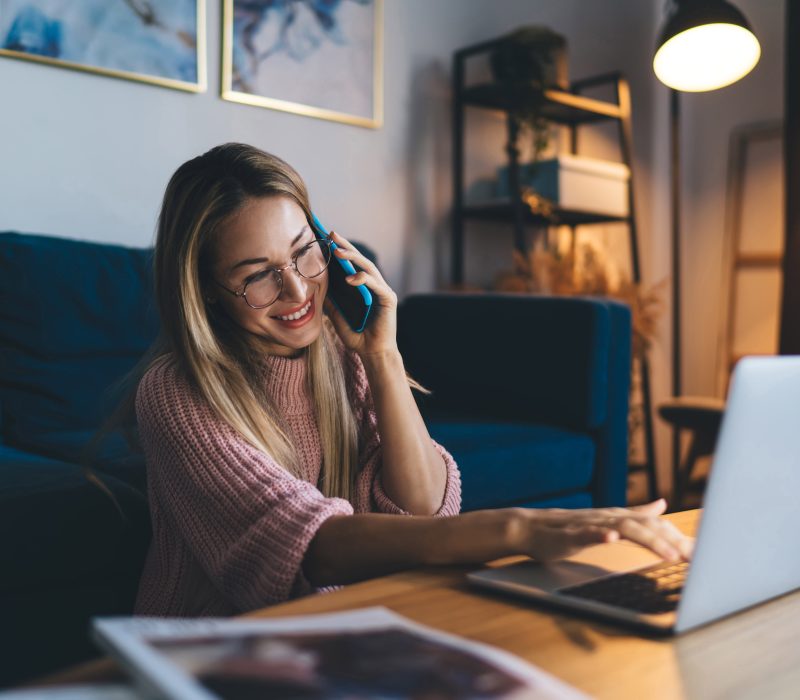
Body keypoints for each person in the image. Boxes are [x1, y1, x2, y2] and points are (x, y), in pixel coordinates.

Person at [133, 143, 693, 618]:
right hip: (215, 647)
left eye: (305, 254)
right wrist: (518, 529)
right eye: (258, 276)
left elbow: (425, 508)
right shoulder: (176, 394)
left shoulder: (341, 354)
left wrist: (382, 356)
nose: (299, 292)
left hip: (339, 627)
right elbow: (310, 547)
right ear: (204, 289)